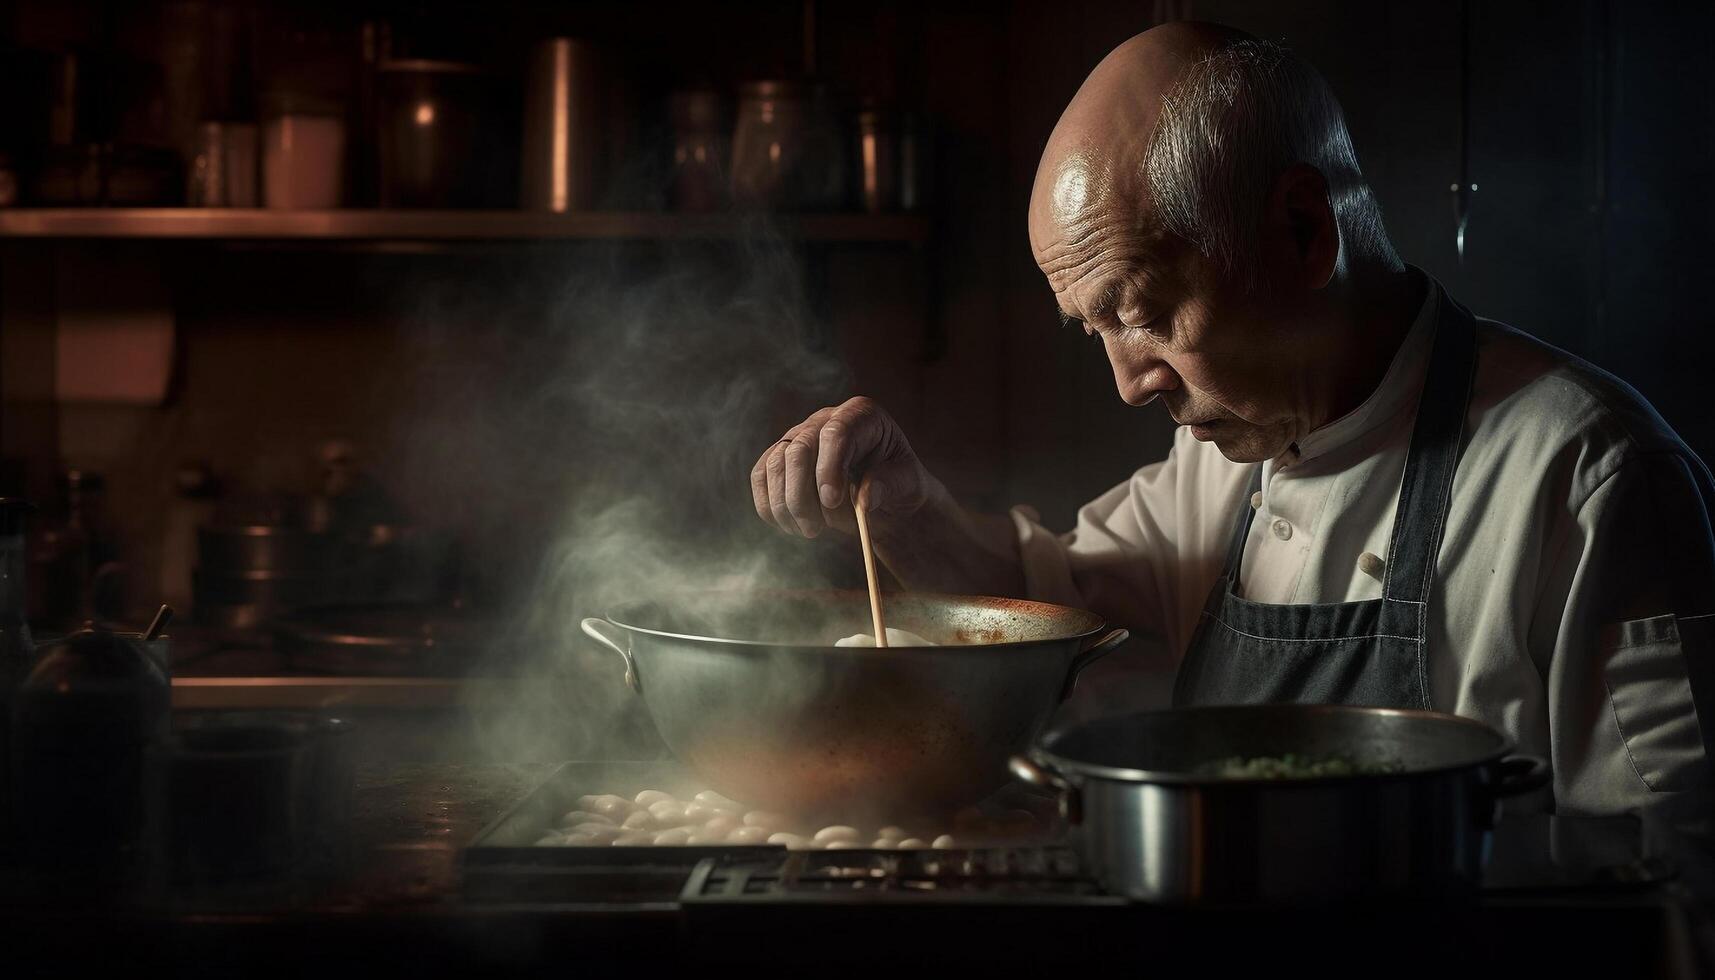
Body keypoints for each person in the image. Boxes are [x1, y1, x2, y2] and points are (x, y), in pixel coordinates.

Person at [750, 23, 1712, 821]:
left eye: (1143, 313)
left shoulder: (1587, 476)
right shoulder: (1218, 463)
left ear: (1301, 231)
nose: (1129, 384)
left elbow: (1666, 880)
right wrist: (909, 511)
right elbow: (1040, 614)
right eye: (1094, 331)